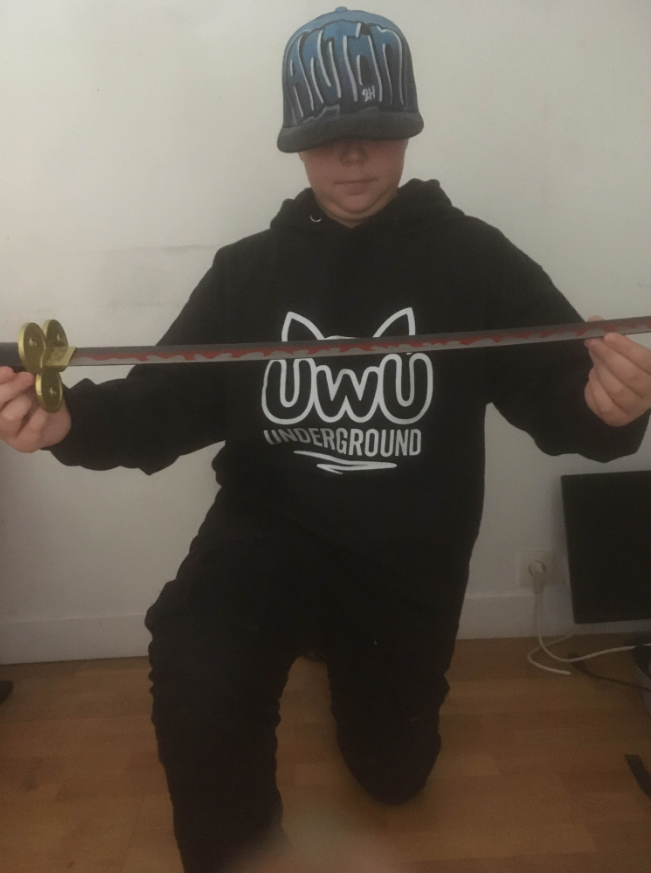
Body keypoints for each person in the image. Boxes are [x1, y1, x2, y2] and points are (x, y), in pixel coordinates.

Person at [1, 7, 650, 873]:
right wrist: (69, 421)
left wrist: (611, 409)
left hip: (408, 555)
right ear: (295, 142)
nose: (352, 155)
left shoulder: (475, 259)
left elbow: (564, 398)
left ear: (408, 129)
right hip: (267, 533)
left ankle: (342, 655)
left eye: (376, 129)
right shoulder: (246, 270)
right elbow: (163, 402)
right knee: (195, 662)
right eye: (327, 135)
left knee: (394, 776)